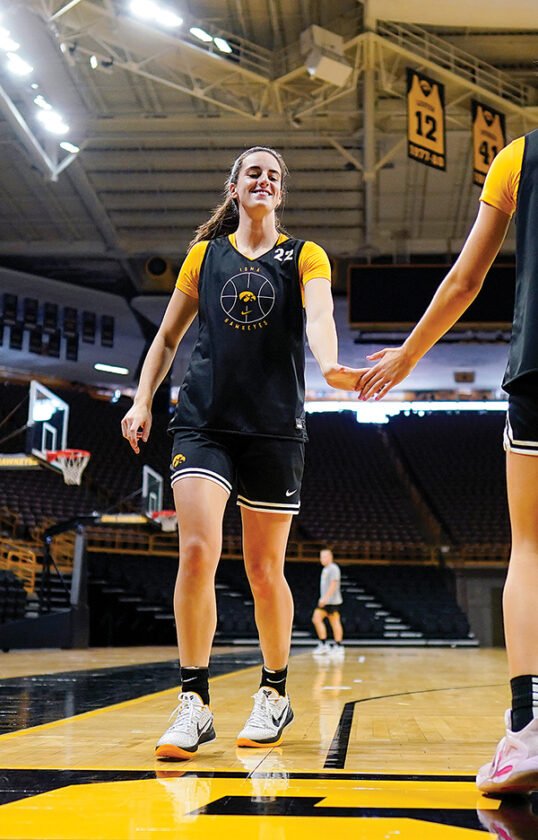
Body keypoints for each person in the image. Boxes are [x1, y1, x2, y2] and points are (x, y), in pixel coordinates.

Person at [121, 146, 362, 760]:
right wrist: (143, 399)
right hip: (203, 421)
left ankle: (274, 693)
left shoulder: (304, 255)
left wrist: (329, 363)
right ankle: (194, 702)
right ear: (233, 188)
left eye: (274, 175)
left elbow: (319, 315)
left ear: (281, 193)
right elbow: (169, 335)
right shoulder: (204, 256)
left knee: (263, 569)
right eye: (253, 172)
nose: (264, 180)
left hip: (276, 426)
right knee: (198, 550)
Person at [356, 129, 538, 795]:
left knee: (533, 548)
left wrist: (406, 356)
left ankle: (530, 725)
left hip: (537, 371)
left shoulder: (520, 155)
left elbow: (466, 279)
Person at [312, 547, 344, 656]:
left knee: (334, 622)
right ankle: (325, 644)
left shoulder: (333, 568)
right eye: (321, 557)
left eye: (324, 556)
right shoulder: (325, 569)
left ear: (330, 557)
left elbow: (334, 584)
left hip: (332, 602)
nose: (321, 559)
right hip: (327, 601)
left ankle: (338, 646)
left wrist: (325, 598)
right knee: (317, 619)